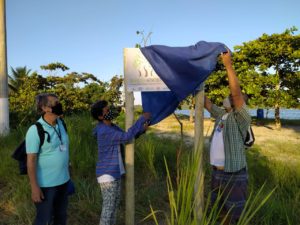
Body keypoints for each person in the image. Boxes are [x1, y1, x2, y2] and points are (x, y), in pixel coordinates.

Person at [204, 49, 251, 224]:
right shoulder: (222, 115)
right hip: (217, 172)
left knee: (234, 215)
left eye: (232, 97)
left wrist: (228, 65)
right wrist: (197, 82)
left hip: (234, 173)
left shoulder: (241, 118)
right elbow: (207, 103)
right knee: (217, 211)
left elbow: (237, 94)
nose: (229, 97)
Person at [91, 100, 151, 225]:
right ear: (100, 116)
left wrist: (141, 130)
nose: (110, 112)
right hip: (107, 174)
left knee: (114, 206)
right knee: (108, 208)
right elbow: (126, 137)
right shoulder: (104, 131)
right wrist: (140, 120)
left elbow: (125, 136)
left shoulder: (111, 127)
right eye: (107, 110)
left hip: (114, 171)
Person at [26, 93, 70, 225]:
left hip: (64, 180)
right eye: (55, 103)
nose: (59, 105)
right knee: (44, 220)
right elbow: (31, 160)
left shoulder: (61, 123)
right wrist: (34, 187)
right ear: (45, 108)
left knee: (61, 217)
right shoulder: (35, 130)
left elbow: (64, 147)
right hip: (46, 185)